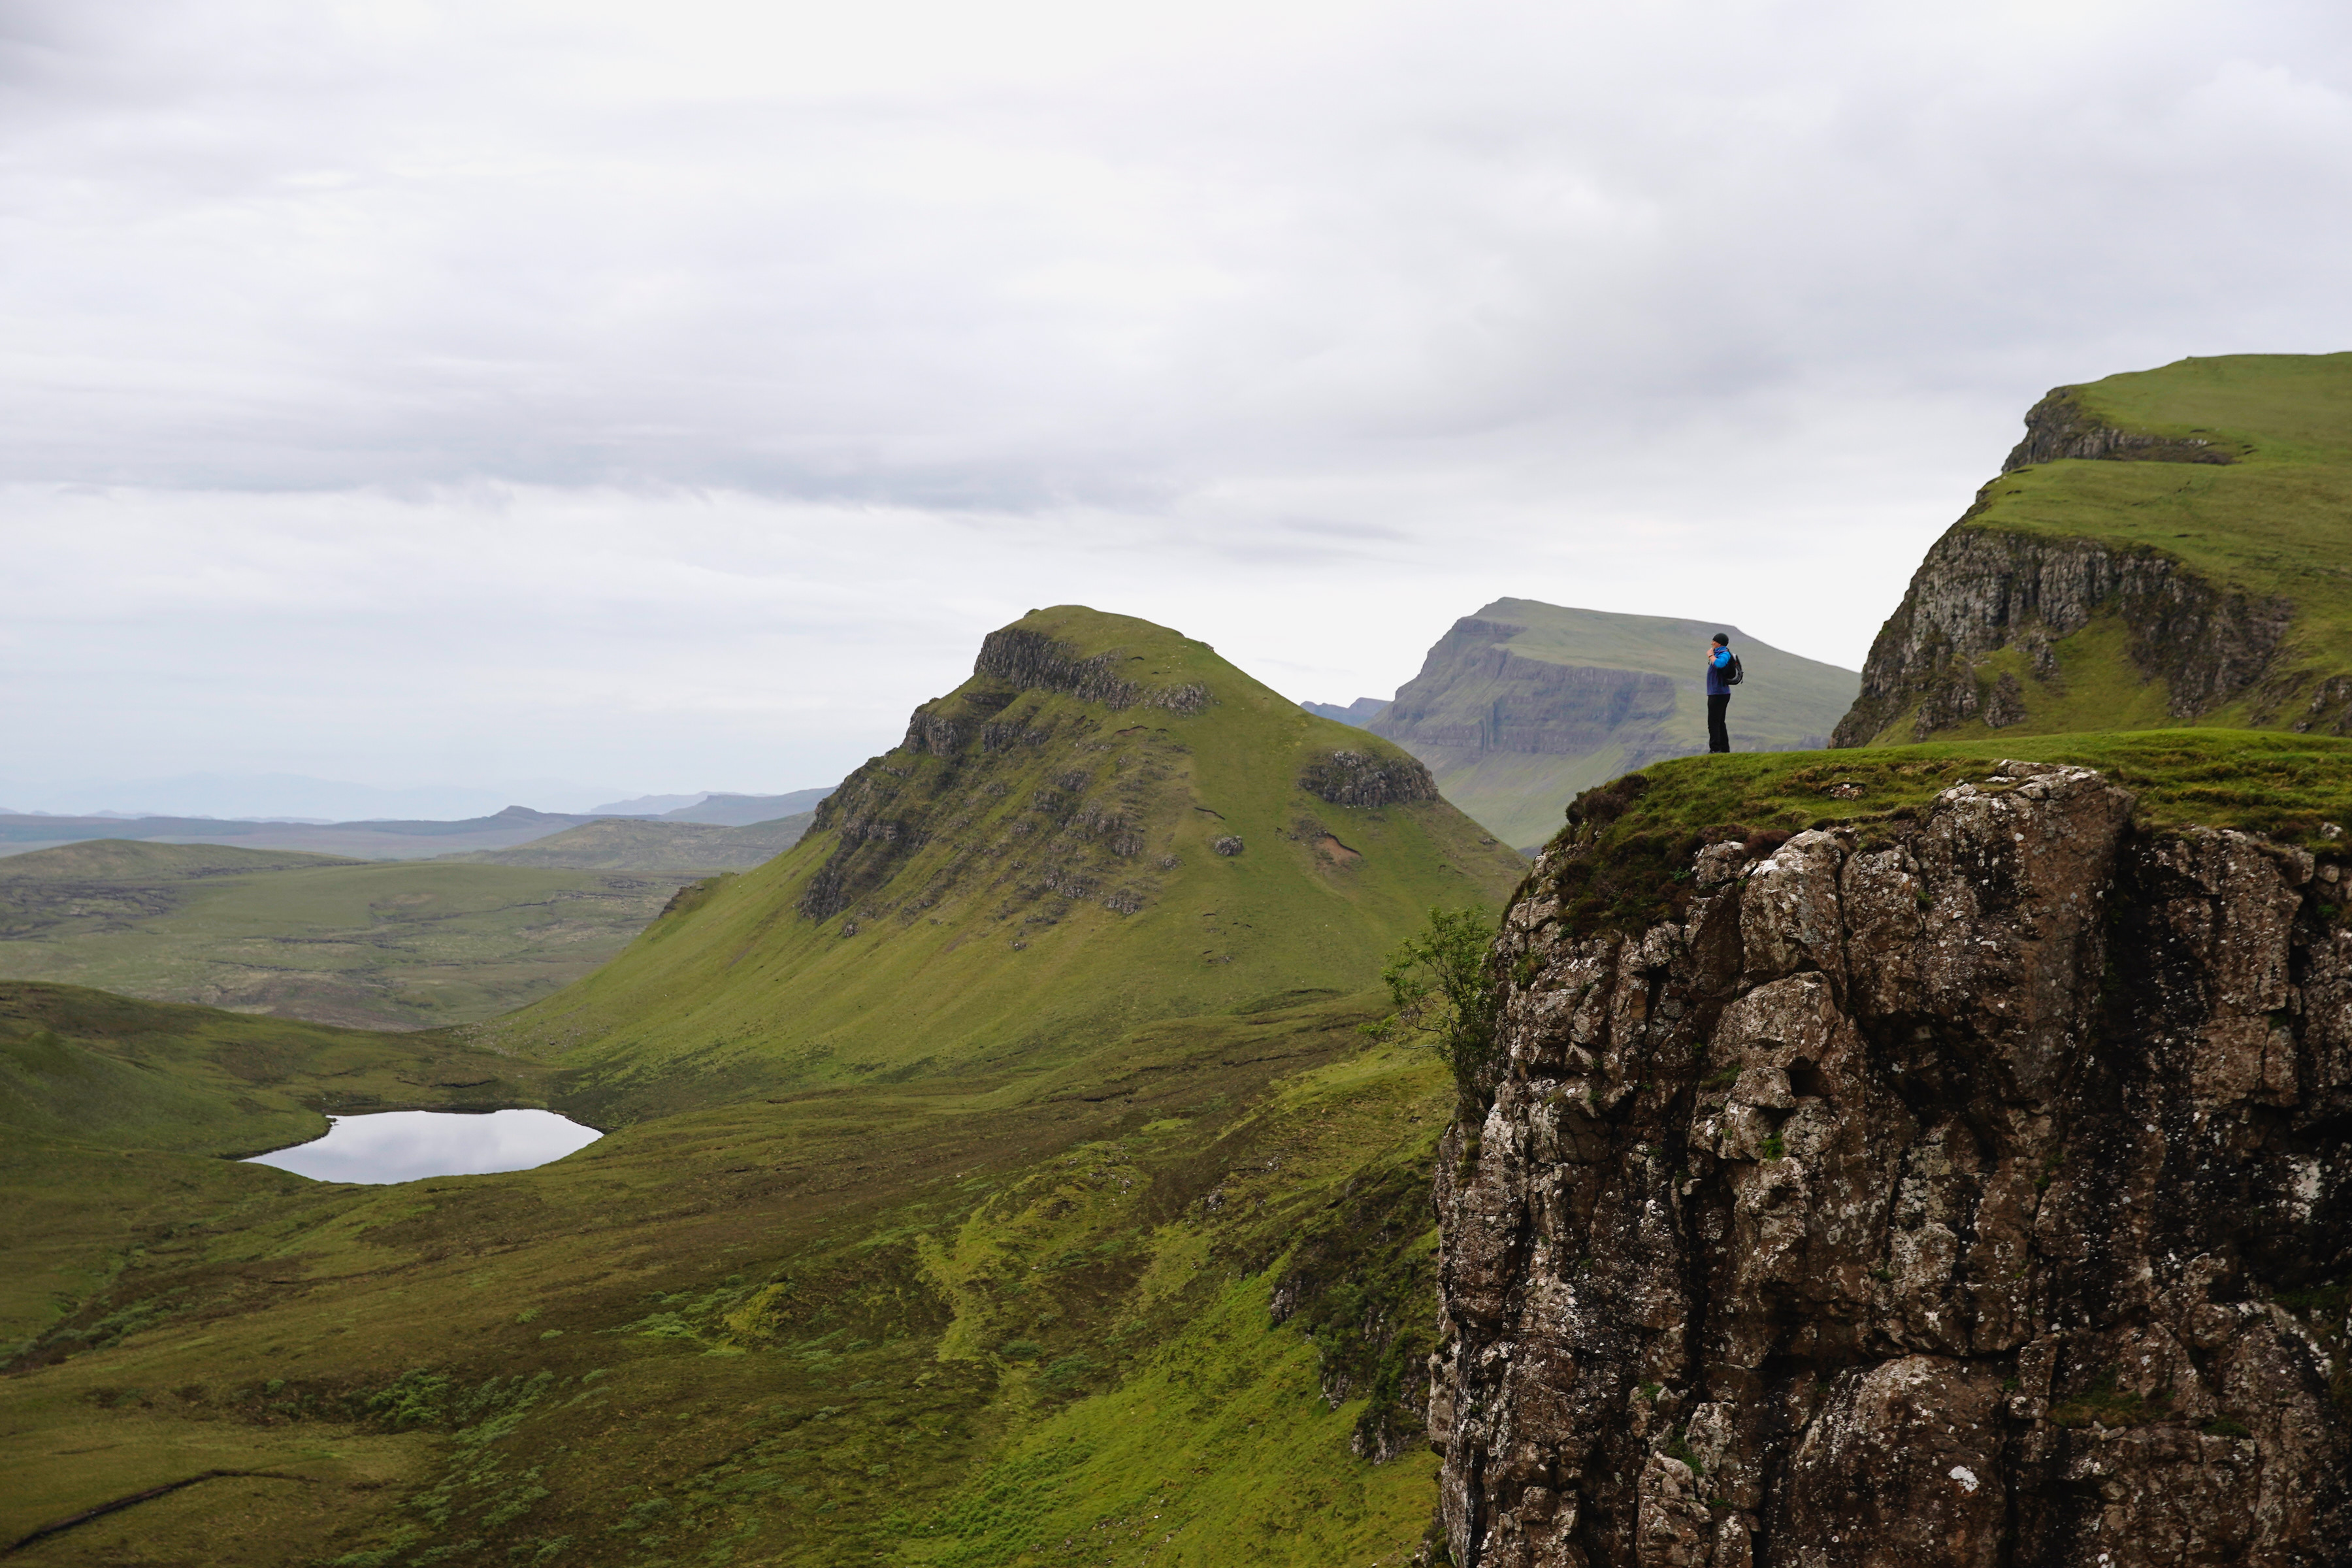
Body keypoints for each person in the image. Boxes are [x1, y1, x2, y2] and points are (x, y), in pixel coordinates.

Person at [1705, 633, 1734, 753]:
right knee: (1719, 722)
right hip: (1716, 693)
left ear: (1719, 643)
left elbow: (1720, 664)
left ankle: (1715, 749)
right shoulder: (1720, 654)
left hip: (1719, 693)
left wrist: (1711, 655)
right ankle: (1724, 749)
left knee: (1713, 722)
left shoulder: (1725, 654)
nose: (1712, 643)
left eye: (1714, 641)